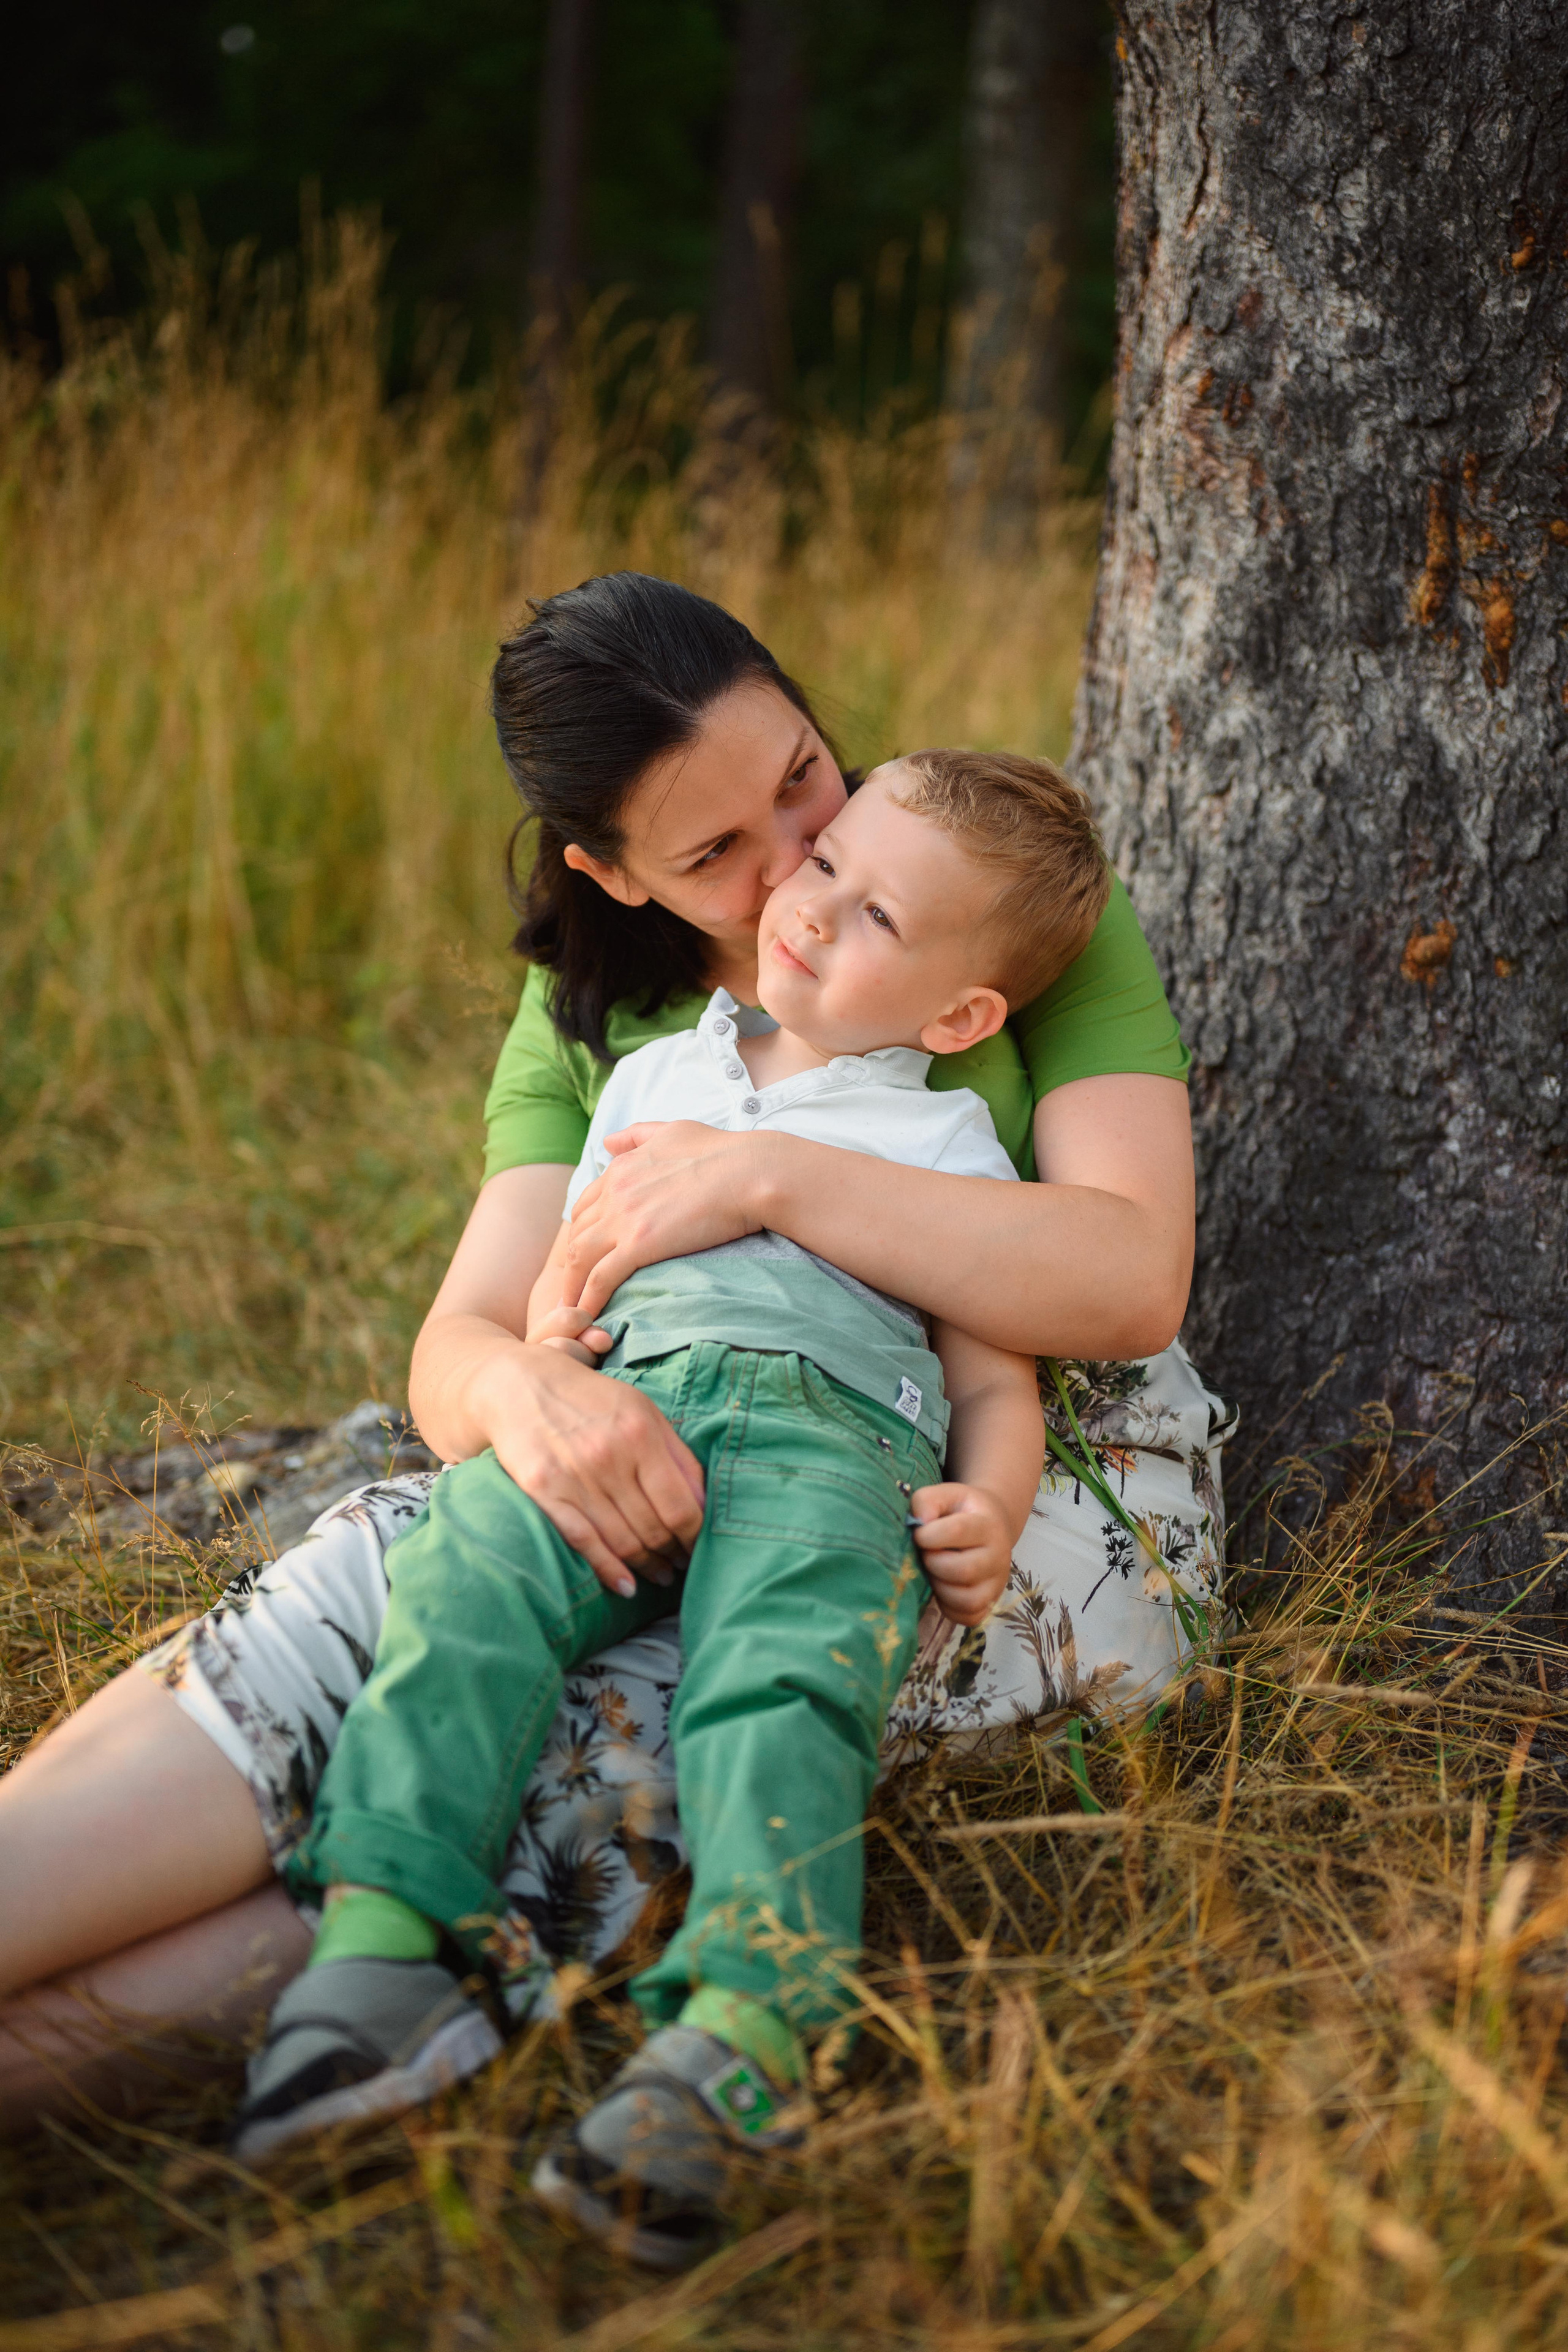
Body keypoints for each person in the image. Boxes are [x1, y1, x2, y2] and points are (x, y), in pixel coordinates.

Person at [0, 572, 1228, 2136]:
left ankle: (441, 1997)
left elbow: (1127, 1279)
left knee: (591, 1743)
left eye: (799, 777)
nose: (791, 866)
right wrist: (531, 1395)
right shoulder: (601, 1020)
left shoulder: (971, 872)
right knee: (383, 1583)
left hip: (986, 1487)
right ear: (613, 874)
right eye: (714, 853)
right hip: (667, 1413)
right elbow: (468, 1338)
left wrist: (765, 1177)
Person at [229, 750, 1101, 2262]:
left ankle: (746, 2030)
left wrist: (992, 1501)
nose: (812, 909)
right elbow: (563, 1286)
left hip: (834, 1445)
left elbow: (992, 1382)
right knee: (467, 1577)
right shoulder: (650, 1077)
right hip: (629, 1409)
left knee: (782, 1680)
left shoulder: (952, 1145)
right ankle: (389, 1932)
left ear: (960, 1019)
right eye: (825, 866)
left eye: (878, 917)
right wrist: (550, 1370)